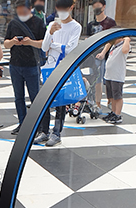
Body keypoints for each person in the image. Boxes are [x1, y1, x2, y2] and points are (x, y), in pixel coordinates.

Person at [34, 0, 82, 147]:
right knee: (45, 100)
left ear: (71, 7)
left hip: (64, 67)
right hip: (49, 67)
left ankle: (56, 133)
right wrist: (50, 34)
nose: (61, 11)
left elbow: (69, 49)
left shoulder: (76, 27)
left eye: (64, 8)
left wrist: (53, 45)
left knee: (61, 103)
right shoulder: (52, 25)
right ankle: (44, 131)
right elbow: (44, 47)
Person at [4, 0, 46, 134]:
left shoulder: (38, 22)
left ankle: (37, 126)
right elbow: (5, 43)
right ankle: (22, 124)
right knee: (18, 97)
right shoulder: (13, 23)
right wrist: (13, 42)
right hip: (15, 65)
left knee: (35, 97)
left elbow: (44, 44)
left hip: (32, 65)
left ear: (30, 8)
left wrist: (30, 42)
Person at [87, 0, 117, 111]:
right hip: (93, 55)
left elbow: (112, 40)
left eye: (98, 6)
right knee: (95, 80)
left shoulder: (110, 23)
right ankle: (95, 103)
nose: (96, 9)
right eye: (94, 7)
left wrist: (104, 52)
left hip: (108, 56)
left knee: (107, 81)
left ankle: (107, 102)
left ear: (103, 7)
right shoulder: (91, 24)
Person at [100, 36, 130, 124]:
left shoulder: (123, 45)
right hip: (109, 75)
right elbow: (108, 44)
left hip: (117, 76)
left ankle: (118, 114)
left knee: (117, 96)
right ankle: (113, 112)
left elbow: (125, 50)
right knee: (111, 97)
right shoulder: (114, 46)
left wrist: (127, 40)